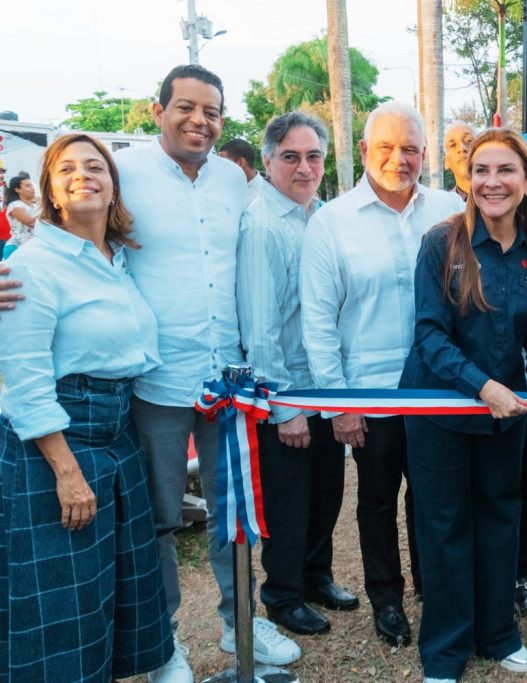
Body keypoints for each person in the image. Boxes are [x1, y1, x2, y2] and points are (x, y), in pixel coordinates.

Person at [115, 64, 300, 683]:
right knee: (162, 517)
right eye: (187, 108)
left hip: (229, 379)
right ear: (158, 108)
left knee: (235, 508)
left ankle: (238, 623)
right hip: (158, 378)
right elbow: (83, 239)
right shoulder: (125, 174)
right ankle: (163, 640)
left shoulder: (231, 178)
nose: (200, 121)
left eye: (212, 111)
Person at [0, 133, 174, 681]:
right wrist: (67, 472)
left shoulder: (117, 257)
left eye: (95, 166)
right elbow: (23, 377)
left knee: (108, 590)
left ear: (113, 182)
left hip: (116, 433)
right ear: (49, 189)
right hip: (56, 444)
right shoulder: (35, 262)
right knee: (62, 608)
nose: (83, 176)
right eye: (67, 169)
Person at [400, 127, 527, 683]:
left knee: (500, 517)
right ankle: (445, 651)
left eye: (505, 170)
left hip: (507, 411)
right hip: (440, 407)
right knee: (445, 526)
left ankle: (499, 633)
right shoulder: (441, 243)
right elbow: (429, 335)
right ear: (467, 180)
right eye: (481, 171)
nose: (491, 182)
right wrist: (482, 386)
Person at [301, 101, 463, 648]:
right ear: (366, 151)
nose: (400, 158)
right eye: (388, 147)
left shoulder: (448, 209)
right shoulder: (332, 222)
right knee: (376, 499)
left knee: (434, 496)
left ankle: (432, 587)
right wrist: (339, 404)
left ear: (425, 153)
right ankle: (386, 599)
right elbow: (319, 323)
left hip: (439, 389)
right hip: (370, 393)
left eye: (411, 148)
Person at [236, 111, 352, 637]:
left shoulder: (318, 214)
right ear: (266, 161)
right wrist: (286, 410)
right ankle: (282, 595)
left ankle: (315, 577)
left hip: (323, 379)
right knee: (289, 501)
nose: (304, 168)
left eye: (313, 157)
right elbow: (260, 330)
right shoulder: (262, 224)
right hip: (286, 391)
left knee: (326, 490)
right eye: (290, 157)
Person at [219, 137, 267, 204]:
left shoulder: (266, 195)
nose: (218, 167)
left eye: (222, 163)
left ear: (241, 163)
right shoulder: (222, 190)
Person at [4, 173, 40, 256]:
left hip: (33, 248)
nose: (32, 188)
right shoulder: (15, 205)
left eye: (32, 185)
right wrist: (47, 212)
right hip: (16, 247)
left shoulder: (36, 206)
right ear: (17, 189)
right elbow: (30, 222)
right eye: (28, 186)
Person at [443, 121, 474, 200]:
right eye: (453, 145)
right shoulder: (442, 208)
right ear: (446, 162)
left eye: (468, 141)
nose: (462, 148)